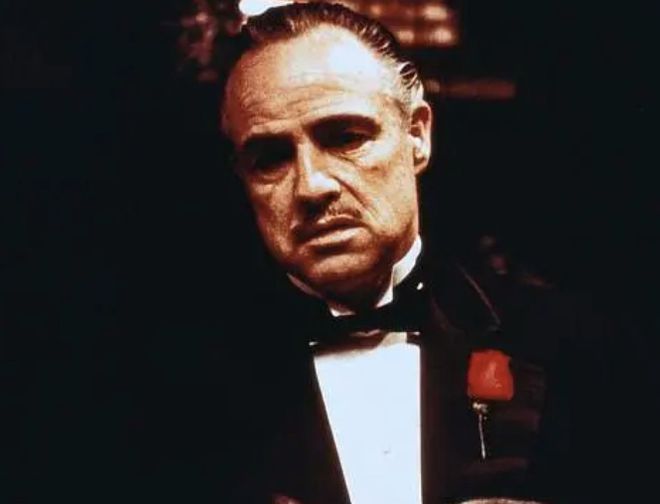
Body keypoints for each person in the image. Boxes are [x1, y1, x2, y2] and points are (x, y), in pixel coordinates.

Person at [162, 2, 628, 503]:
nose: (312, 186)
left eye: (345, 138)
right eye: (270, 158)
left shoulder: (574, 345)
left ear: (417, 135)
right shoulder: (175, 387)